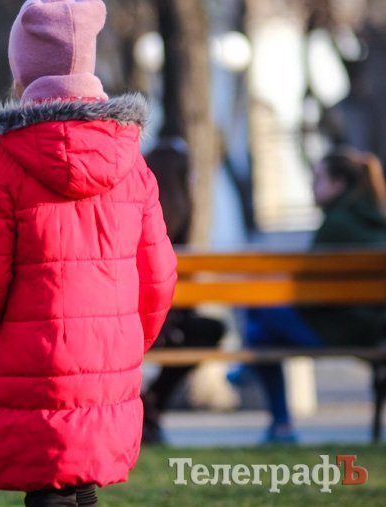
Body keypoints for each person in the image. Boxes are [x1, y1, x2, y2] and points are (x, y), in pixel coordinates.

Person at [0, 0, 177, 506]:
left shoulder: (3, 162)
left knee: (47, 484)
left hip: (34, 353)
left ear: (23, 70)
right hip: (110, 352)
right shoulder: (132, 161)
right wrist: (130, 339)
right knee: (82, 479)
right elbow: (159, 271)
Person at [233, 146, 386, 444]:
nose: (312, 186)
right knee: (261, 336)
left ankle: (277, 418)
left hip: (340, 330)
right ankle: (276, 421)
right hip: (373, 329)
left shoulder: (338, 223)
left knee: (256, 306)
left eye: (318, 179)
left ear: (339, 183)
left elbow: (306, 291)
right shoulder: (374, 220)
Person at [140, 138, 226, 444]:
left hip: (139, 323)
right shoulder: (180, 219)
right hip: (162, 324)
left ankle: (148, 408)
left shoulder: (139, 213)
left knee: (204, 329)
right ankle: (152, 406)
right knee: (210, 329)